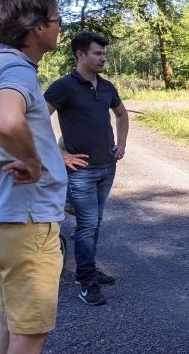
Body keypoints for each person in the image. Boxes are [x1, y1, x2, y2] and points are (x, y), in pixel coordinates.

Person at [0, 0, 88, 354]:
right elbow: (7, 122)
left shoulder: (1, 63)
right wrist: (31, 160)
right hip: (28, 222)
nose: (59, 25)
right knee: (29, 335)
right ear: (33, 28)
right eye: (54, 18)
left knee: (13, 326)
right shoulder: (13, 67)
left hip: (11, 220)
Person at [44, 31, 129, 306]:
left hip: (107, 166)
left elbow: (122, 114)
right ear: (80, 55)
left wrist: (122, 144)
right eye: (97, 53)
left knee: (96, 222)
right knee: (87, 224)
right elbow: (37, 120)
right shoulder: (63, 87)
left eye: (104, 53)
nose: (103, 58)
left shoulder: (106, 87)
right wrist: (61, 154)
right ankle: (87, 282)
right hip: (81, 170)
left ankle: (86, 269)